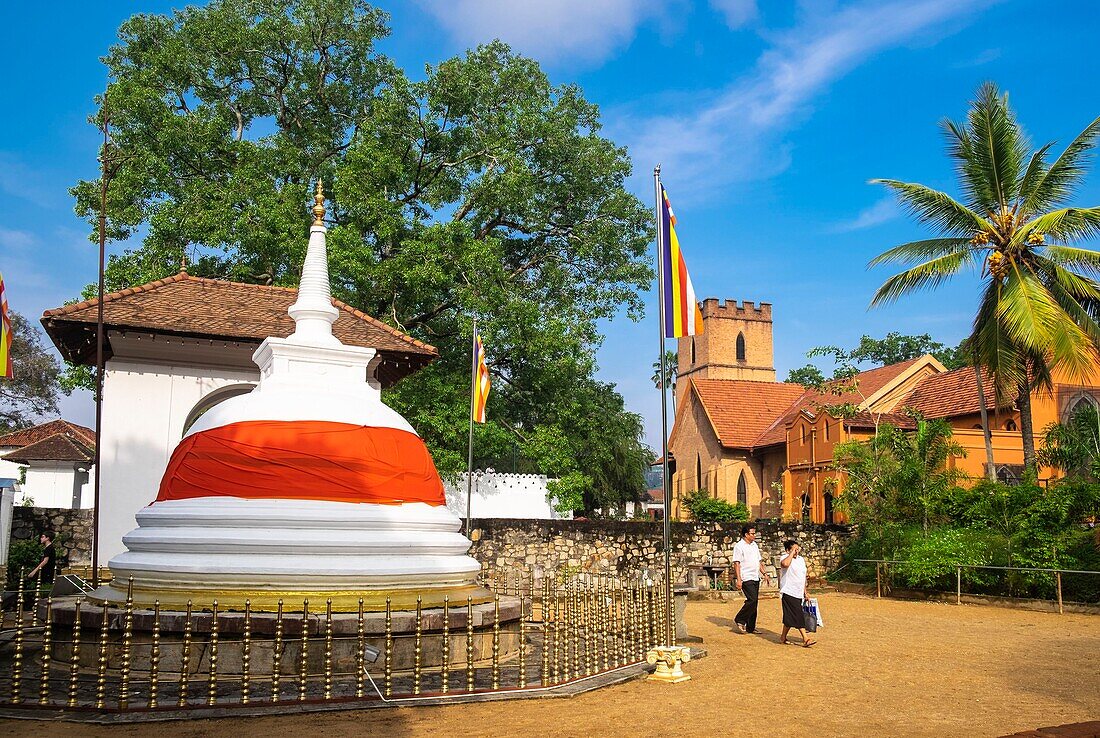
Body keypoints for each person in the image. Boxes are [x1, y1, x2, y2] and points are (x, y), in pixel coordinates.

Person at [732, 524, 770, 633]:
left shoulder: (754, 545)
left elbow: (758, 561)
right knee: (752, 600)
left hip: (755, 576)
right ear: (746, 534)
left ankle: (751, 627)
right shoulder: (739, 546)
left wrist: (764, 573)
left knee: (755, 602)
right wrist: (739, 579)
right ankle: (740, 619)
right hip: (746, 577)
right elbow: (737, 563)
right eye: (752, 533)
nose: (754, 535)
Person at [779, 539, 815, 647]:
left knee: (790, 616)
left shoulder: (801, 560)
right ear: (787, 550)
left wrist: (805, 592)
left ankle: (783, 637)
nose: (796, 552)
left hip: (798, 592)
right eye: (794, 549)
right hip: (788, 591)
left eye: (797, 549)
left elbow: (802, 577)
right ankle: (806, 638)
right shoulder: (785, 558)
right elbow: (785, 564)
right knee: (798, 614)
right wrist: (791, 554)